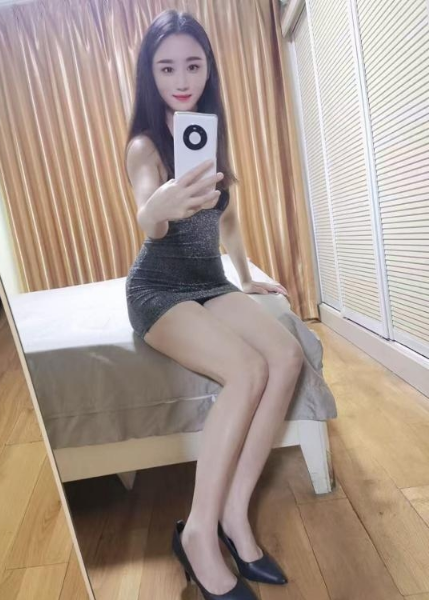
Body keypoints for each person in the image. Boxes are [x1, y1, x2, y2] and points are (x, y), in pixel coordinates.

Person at [124, 10, 304, 599]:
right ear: (150, 75)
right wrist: (160, 208)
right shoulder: (146, 145)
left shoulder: (208, 132)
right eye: (166, 67)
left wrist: (247, 279)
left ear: (208, 69)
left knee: (286, 357)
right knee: (246, 370)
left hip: (209, 281)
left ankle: (233, 515)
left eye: (193, 64)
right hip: (159, 289)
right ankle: (198, 534)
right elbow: (148, 216)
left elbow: (229, 223)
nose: (181, 79)